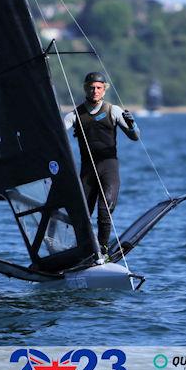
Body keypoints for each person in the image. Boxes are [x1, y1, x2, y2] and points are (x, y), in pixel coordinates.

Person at [63, 71, 139, 252]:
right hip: (88, 171)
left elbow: (135, 137)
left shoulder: (113, 110)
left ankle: (103, 250)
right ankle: (81, 250)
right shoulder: (75, 115)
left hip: (109, 168)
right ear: (85, 89)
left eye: (99, 88)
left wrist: (132, 124)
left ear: (104, 90)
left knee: (105, 212)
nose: (95, 91)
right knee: (81, 215)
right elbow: (57, 134)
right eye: (91, 88)